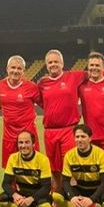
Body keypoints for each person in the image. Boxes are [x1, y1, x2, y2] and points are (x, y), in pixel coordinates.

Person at [37, 48, 83, 190]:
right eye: (50, 62)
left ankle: (75, 203)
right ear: (46, 65)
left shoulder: (74, 76)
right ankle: (58, 205)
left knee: (71, 168)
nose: (53, 64)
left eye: (56, 61)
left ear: (62, 63)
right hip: (50, 132)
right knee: (54, 170)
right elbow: (42, 102)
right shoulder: (42, 83)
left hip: (69, 129)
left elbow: (96, 72)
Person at [62, 123, 104, 207]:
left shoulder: (100, 153)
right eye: (77, 137)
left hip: (98, 188)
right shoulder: (69, 155)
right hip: (81, 187)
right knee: (57, 195)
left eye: (83, 136)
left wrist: (92, 199)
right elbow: (65, 181)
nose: (80, 140)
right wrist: (72, 197)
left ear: (90, 138)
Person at [0, 130, 55, 207]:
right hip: (21, 196)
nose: (23, 146)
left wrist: (31, 199)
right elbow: (6, 183)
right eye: (20, 142)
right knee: (2, 199)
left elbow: (46, 187)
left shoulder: (43, 159)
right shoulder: (13, 158)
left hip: (37, 197)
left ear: (33, 144)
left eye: (27, 142)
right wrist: (15, 196)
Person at [0, 56, 40, 167]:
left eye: (19, 68)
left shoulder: (31, 87)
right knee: (10, 170)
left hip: (28, 135)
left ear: (23, 71)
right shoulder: (1, 85)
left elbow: (45, 104)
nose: (15, 71)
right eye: (13, 67)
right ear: (7, 69)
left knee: (32, 168)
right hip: (9, 136)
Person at [79, 52, 104, 169]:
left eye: (97, 65)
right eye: (91, 65)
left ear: (103, 68)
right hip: (90, 135)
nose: (94, 68)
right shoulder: (82, 85)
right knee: (92, 169)